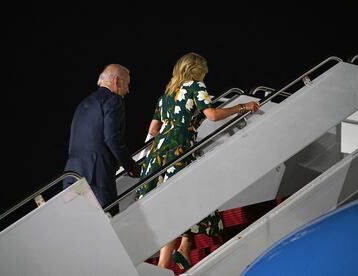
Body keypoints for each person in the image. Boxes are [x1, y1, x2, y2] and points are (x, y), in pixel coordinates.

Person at [135, 52, 260, 270]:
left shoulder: (167, 94)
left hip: (159, 153)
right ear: (196, 70)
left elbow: (153, 129)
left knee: (176, 202)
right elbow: (212, 114)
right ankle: (175, 254)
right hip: (180, 149)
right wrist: (242, 107)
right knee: (193, 198)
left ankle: (178, 252)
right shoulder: (195, 87)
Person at [63, 64, 141, 216]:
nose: (128, 90)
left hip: (72, 176)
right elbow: (113, 138)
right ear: (117, 81)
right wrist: (131, 167)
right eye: (127, 84)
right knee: (108, 223)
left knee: (78, 224)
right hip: (97, 178)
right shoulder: (113, 100)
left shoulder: (84, 103)